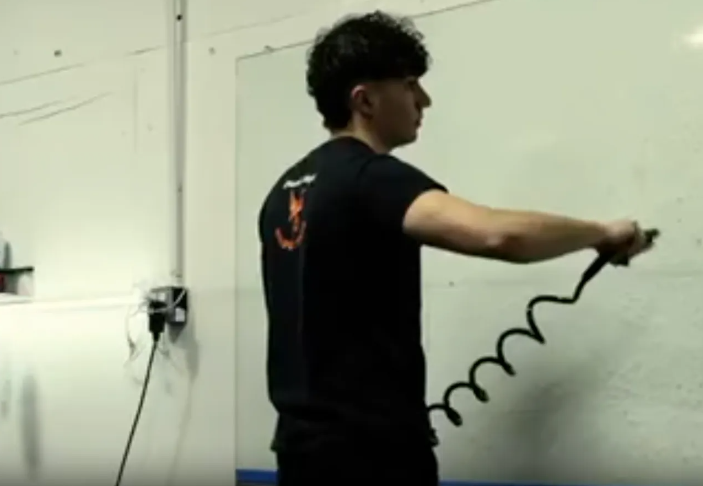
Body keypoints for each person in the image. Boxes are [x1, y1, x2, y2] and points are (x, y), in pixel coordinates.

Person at [257, 10, 656, 486]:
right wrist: (602, 232)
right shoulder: (370, 178)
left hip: (302, 455)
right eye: (409, 85)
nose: (423, 100)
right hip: (371, 459)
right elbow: (497, 234)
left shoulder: (283, 192)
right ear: (364, 100)